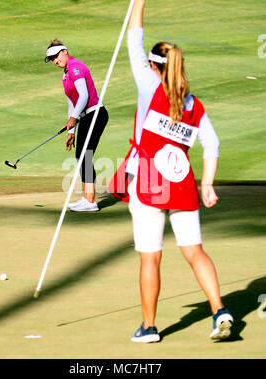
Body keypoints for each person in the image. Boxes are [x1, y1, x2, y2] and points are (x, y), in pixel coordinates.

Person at [110, 0, 233, 343]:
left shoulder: (149, 87)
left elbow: (133, 40)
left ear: (153, 65)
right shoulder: (192, 102)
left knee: (151, 258)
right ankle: (219, 310)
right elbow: (212, 145)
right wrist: (207, 185)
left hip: (150, 185)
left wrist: (138, 2)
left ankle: (149, 328)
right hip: (182, 187)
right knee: (195, 251)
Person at [45, 39, 109, 212]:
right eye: (51, 59)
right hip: (86, 116)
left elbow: (84, 96)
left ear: (64, 52)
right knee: (81, 155)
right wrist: (71, 131)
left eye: (56, 57)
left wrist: (73, 118)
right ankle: (88, 199)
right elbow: (72, 104)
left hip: (95, 113)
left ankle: (90, 201)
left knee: (84, 155)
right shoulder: (65, 75)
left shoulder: (75, 67)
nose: (55, 61)